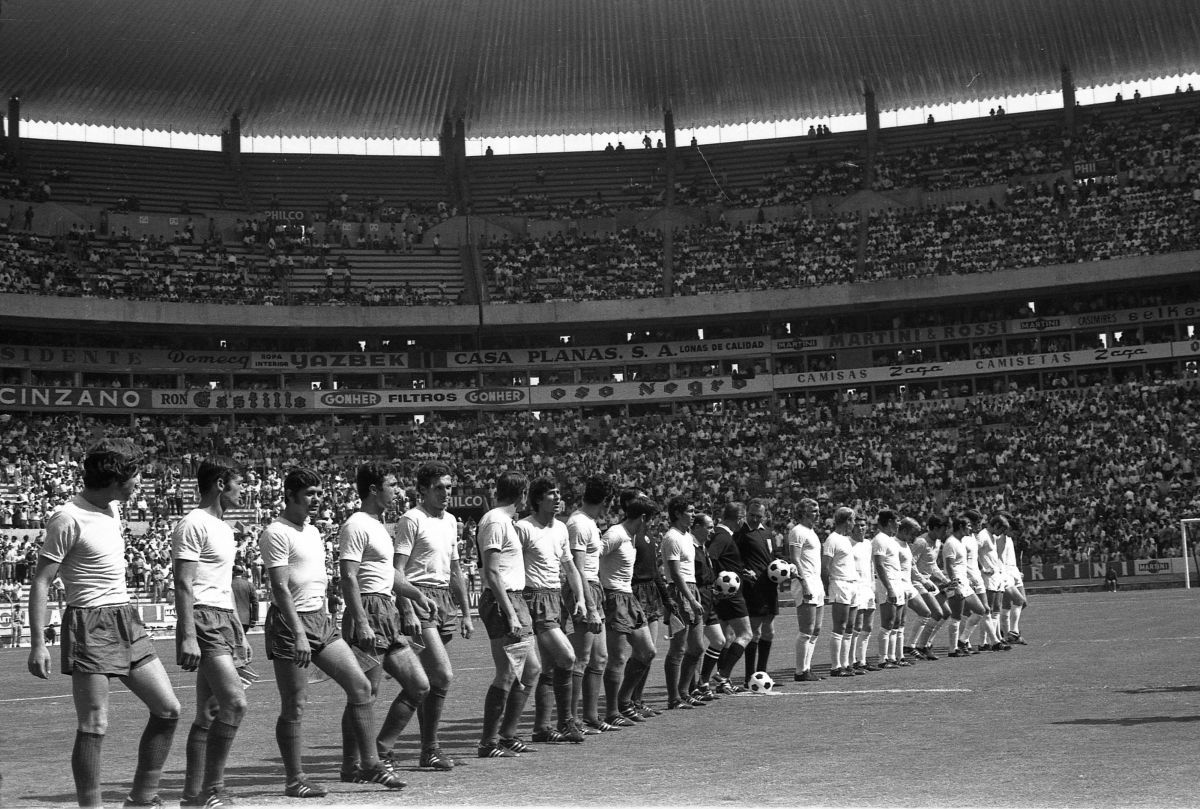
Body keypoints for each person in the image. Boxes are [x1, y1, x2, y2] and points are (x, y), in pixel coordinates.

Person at [27, 440, 181, 808]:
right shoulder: (67, 518)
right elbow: (41, 581)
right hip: (88, 623)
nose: (139, 484)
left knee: (168, 709)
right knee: (94, 724)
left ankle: (141, 799)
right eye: (135, 477)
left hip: (125, 618)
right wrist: (38, 643)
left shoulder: (113, 507)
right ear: (116, 479)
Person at [259, 467, 405, 798]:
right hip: (289, 623)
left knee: (361, 686)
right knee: (295, 704)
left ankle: (369, 763)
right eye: (310, 493)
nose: (317, 499)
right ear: (291, 495)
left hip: (321, 621)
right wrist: (297, 632)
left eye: (319, 493)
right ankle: (295, 778)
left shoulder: (311, 530)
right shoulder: (275, 532)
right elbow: (280, 588)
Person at [338, 463, 436, 777]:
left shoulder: (379, 524)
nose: (398, 490)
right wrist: (361, 621)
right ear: (373, 489)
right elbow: (348, 576)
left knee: (419, 685)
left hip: (387, 611)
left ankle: (379, 751)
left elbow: (388, 573)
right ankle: (352, 763)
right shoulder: (356, 524)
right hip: (368, 609)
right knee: (365, 692)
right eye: (392, 484)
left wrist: (416, 595)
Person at [172, 457, 251, 808]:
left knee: (209, 712)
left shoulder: (225, 527)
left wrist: (241, 632)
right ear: (221, 484)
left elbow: (222, 584)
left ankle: (192, 796)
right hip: (203, 619)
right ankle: (212, 790)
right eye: (239, 483)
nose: (243, 490)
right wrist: (187, 634)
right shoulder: (193, 523)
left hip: (224, 618)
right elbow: (183, 582)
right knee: (235, 703)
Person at [394, 461, 475, 770]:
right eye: (440, 487)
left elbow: (455, 570)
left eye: (449, 487)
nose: (446, 492)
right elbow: (398, 571)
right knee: (442, 675)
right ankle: (421, 746)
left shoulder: (451, 521)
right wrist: (407, 605)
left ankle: (424, 749)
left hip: (443, 600)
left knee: (425, 681)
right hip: (419, 596)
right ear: (423, 490)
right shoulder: (411, 519)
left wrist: (466, 613)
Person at [516, 476, 587, 742]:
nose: (557, 498)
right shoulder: (523, 528)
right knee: (567, 657)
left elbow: (569, 567)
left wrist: (579, 598)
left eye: (558, 493)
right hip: (532, 598)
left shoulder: (561, 529)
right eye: (550, 494)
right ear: (536, 499)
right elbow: (509, 563)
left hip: (554, 598)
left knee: (547, 667)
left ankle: (542, 729)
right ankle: (567, 720)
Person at [476, 471, 540, 758]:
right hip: (505, 601)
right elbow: (491, 570)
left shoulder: (504, 521)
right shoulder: (495, 521)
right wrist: (510, 612)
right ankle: (489, 741)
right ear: (522, 493)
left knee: (530, 669)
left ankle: (506, 735)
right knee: (507, 672)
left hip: (514, 599)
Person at [599, 496, 660, 726]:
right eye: (650, 520)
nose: (651, 525)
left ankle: (625, 702)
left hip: (629, 598)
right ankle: (612, 712)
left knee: (647, 651)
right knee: (617, 658)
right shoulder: (615, 534)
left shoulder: (631, 536)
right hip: (614, 597)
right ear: (643, 518)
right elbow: (592, 558)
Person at [565, 475, 614, 733]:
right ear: (605, 501)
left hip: (594, 588)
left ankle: (591, 717)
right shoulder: (579, 524)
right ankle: (572, 719)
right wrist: (590, 605)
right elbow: (578, 569)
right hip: (584, 591)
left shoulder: (589, 522)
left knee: (600, 657)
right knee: (581, 658)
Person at [660, 496, 706, 710]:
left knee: (696, 648)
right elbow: (676, 574)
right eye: (690, 510)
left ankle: (685, 691)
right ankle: (674, 698)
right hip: (680, 592)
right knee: (678, 648)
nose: (693, 514)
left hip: (691, 589)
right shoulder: (672, 538)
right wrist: (690, 599)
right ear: (677, 513)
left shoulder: (687, 536)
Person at [706, 502, 753, 692]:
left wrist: (741, 571)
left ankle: (721, 683)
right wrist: (719, 582)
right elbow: (711, 557)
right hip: (730, 596)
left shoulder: (720, 534)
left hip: (724, 594)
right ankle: (723, 673)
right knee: (746, 634)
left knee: (726, 637)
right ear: (740, 518)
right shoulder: (723, 536)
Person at [735, 499, 779, 685]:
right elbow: (734, 559)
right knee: (754, 631)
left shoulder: (767, 533)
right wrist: (745, 570)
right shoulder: (741, 534)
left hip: (769, 586)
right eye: (751, 515)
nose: (754, 519)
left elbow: (774, 557)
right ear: (746, 513)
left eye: (758, 516)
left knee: (769, 631)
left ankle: (762, 674)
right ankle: (749, 677)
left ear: (764, 515)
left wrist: (785, 566)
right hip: (753, 587)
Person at [940, 515, 989, 659]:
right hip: (955, 584)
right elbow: (949, 565)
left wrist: (967, 580)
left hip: (964, 582)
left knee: (980, 610)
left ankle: (962, 641)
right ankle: (952, 649)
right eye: (968, 525)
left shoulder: (960, 542)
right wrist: (955, 584)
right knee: (956, 617)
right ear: (960, 527)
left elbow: (961, 565)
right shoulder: (951, 543)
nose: (970, 528)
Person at [787, 498, 824, 682]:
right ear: (803, 512)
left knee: (816, 629)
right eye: (814, 510)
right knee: (806, 630)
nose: (818, 513)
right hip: (806, 583)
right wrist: (804, 583)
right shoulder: (797, 531)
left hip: (816, 583)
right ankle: (800, 671)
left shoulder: (812, 532)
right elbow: (795, 558)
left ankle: (807, 669)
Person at [822, 506, 860, 677]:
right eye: (852, 520)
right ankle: (835, 666)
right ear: (846, 521)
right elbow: (825, 567)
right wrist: (827, 588)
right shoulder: (832, 540)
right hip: (840, 584)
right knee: (840, 626)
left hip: (852, 584)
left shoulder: (845, 539)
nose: (854, 523)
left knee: (850, 626)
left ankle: (846, 664)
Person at [908, 515, 951, 659]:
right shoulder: (921, 542)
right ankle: (919, 646)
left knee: (946, 612)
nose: (945, 533)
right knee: (936, 612)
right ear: (935, 528)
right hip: (917, 581)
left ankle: (926, 643)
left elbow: (932, 565)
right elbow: (911, 564)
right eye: (943, 530)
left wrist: (945, 579)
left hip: (928, 582)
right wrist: (923, 581)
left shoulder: (937, 542)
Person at [871, 509, 907, 668]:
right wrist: (889, 588)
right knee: (888, 622)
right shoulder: (879, 539)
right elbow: (879, 564)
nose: (899, 524)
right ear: (890, 521)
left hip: (897, 583)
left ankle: (893, 657)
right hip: (888, 584)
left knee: (897, 622)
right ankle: (882, 659)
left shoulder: (891, 539)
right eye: (897, 520)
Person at [230, 566, 258, 634]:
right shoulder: (249, 585)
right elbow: (255, 603)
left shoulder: (228, 584)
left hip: (231, 618)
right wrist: (254, 619)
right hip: (245, 619)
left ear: (233, 572)